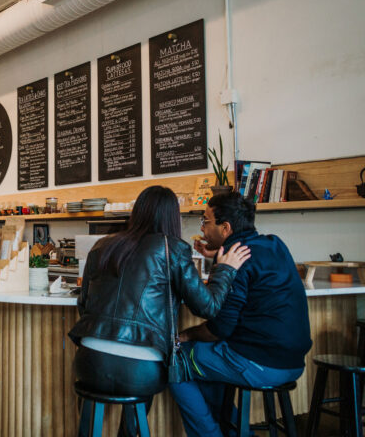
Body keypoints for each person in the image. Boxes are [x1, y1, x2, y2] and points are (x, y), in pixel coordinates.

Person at [68, 186, 251, 436]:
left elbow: (84, 304)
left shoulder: (102, 245)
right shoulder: (173, 248)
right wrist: (225, 269)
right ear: (172, 217)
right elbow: (208, 307)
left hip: (88, 362)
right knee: (143, 378)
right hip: (140, 371)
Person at [169, 192, 312, 437]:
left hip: (261, 364)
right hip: (294, 362)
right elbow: (252, 261)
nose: (202, 229)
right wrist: (216, 254)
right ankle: (236, 431)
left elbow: (219, 330)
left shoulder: (234, 264)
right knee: (205, 362)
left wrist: (186, 334)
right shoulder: (275, 243)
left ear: (225, 227)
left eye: (206, 222)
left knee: (175, 361)